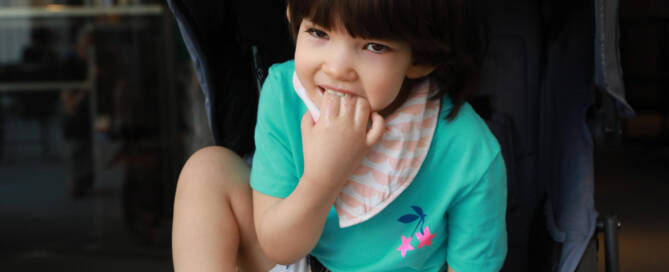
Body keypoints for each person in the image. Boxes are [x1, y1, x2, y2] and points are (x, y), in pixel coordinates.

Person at [172, 0, 507, 271]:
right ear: (294, 19)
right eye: (319, 32)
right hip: (296, 253)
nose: (336, 68)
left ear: (420, 57)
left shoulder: (467, 148)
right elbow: (279, 245)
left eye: (374, 46)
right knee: (208, 169)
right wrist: (323, 178)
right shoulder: (285, 94)